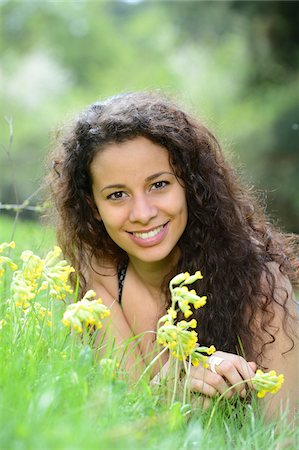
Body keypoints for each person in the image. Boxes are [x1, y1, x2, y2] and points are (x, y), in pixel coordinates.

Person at [47, 91, 298, 419]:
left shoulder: (261, 282)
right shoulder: (100, 275)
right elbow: (129, 416)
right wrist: (178, 390)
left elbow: (284, 431)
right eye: (117, 194)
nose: (142, 213)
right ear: (93, 207)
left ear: (189, 185)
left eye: (159, 185)